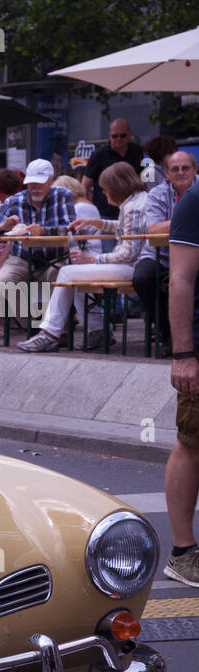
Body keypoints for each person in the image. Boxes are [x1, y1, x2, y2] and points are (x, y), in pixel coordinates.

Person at [18, 162, 149, 352]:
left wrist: (94, 259)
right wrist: (99, 223)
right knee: (73, 274)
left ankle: (50, 334)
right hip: (136, 265)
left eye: (105, 189)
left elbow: (129, 253)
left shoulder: (133, 208)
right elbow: (127, 228)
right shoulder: (135, 202)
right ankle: (90, 331)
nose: (103, 193)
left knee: (66, 272)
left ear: (116, 187)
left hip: (132, 267)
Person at [163, 181, 199, 586]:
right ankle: (183, 552)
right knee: (192, 442)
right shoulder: (195, 200)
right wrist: (183, 354)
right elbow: (181, 279)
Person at [134, 150, 196, 358]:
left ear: (195, 169)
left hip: (192, 254)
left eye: (185, 168)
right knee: (142, 278)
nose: (180, 172)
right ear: (167, 174)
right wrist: (187, 219)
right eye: (174, 169)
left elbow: (160, 227)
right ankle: (166, 331)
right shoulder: (157, 194)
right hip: (159, 254)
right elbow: (152, 230)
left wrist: (170, 224)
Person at [0, 159, 76, 285]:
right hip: (22, 258)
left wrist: (44, 231)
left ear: (51, 180)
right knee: (4, 280)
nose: (35, 188)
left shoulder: (62, 195)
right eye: (31, 183)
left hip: (54, 258)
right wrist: (2, 226)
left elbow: (72, 229)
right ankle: (22, 306)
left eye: (40, 183)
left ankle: (49, 306)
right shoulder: (14, 200)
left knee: (58, 278)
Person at [83, 119, 144, 222]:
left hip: (133, 211)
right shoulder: (99, 155)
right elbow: (84, 185)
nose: (118, 139)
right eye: (114, 136)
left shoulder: (138, 152)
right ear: (109, 135)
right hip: (106, 213)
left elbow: (147, 179)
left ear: (129, 134)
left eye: (123, 136)